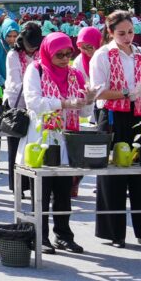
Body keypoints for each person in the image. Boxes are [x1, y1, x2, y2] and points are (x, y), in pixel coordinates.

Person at [91, 10, 141, 249]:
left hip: (140, 114)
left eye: (130, 32)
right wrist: (125, 93)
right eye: (121, 33)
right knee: (113, 173)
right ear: (110, 32)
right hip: (112, 115)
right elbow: (98, 91)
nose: (127, 37)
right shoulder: (102, 55)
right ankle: (114, 232)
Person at [20, 32, 90, 254]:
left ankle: (63, 234)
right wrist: (64, 102)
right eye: (59, 54)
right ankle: (39, 235)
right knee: (41, 189)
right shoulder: (36, 69)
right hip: (41, 135)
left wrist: (87, 99)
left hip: (67, 136)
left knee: (63, 190)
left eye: (69, 53)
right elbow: (33, 102)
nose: (65, 57)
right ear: (48, 52)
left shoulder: (75, 74)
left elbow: (85, 112)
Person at [2, 21, 43, 191]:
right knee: (16, 147)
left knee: (33, 145)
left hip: (35, 105)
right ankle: (17, 185)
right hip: (16, 104)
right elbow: (14, 82)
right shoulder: (13, 55)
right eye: (29, 45)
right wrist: (33, 89)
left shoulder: (41, 53)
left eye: (35, 46)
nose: (32, 49)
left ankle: (32, 184)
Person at [0, 19, 19, 171]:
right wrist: (4, 82)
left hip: (15, 92)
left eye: (15, 35)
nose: (12, 39)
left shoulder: (20, 48)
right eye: (9, 36)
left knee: (12, 124)